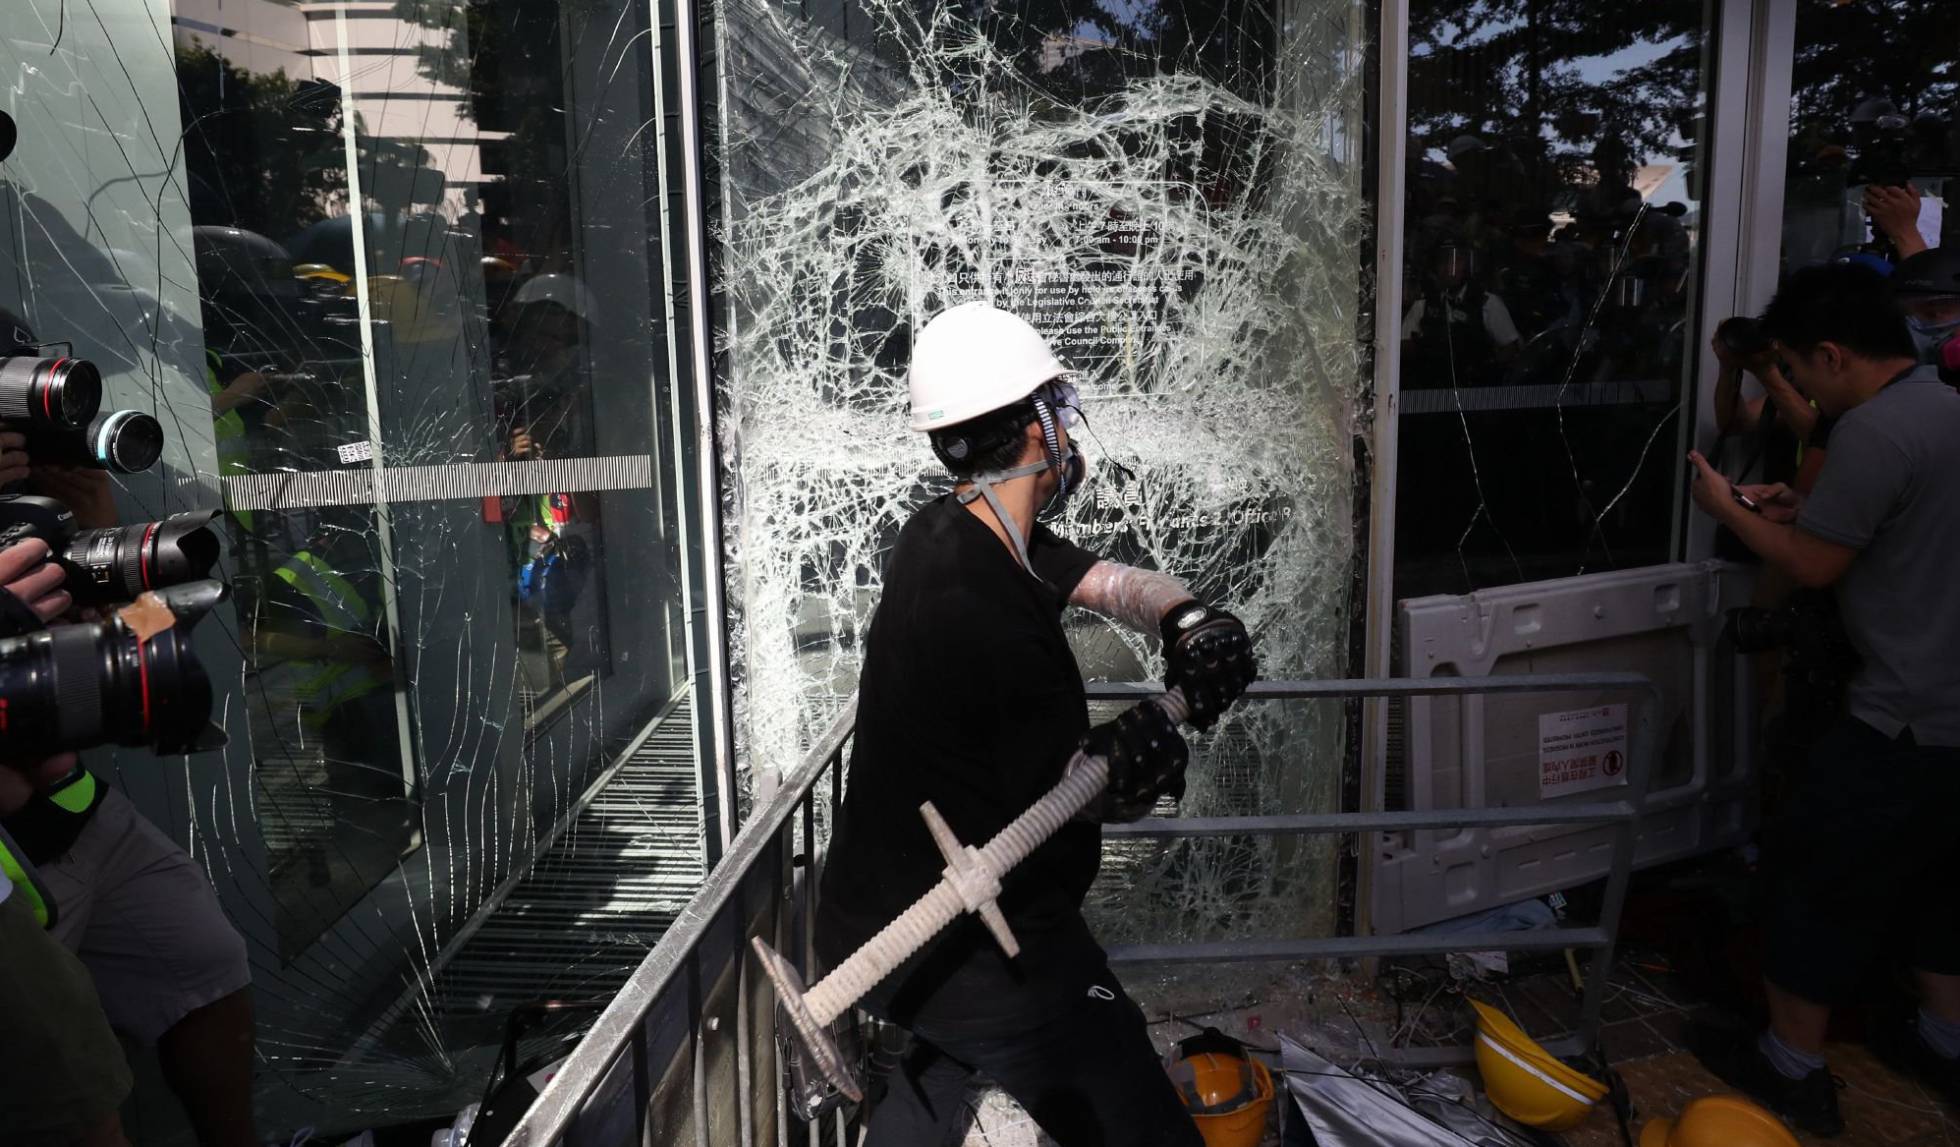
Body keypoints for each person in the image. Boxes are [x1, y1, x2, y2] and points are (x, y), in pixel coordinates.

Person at [814, 303, 1258, 1146]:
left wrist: (1188, 618)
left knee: (935, 1078)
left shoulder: (954, 532)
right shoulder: (981, 611)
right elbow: (1073, 796)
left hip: (886, 921)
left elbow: (1107, 579)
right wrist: (1143, 752)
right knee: (1136, 1115)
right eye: (1058, 403)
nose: (1069, 423)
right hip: (978, 940)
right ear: (1031, 427)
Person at [1685, 264, 1960, 1136]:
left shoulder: (1875, 431)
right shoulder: (1946, 407)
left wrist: (1729, 509)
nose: (1797, 388)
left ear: (1833, 353)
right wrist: (1805, 502)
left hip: (1901, 708)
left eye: (1799, 372)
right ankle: (1942, 1039)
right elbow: (1898, 524)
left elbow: (1812, 566)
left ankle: (1792, 1066)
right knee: (1941, 882)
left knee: (1817, 874)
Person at [1401, 239, 1521, 388]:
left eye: (1455, 261)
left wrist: (1484, 364)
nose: (1448, 268)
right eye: (1442, 262)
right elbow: (1402, 346)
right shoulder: (1423, 305)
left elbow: (1510, 348)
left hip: (1474, 392)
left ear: (1467, 265)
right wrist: (1427, 347)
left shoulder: (1487, 303)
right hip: (1433, 391)